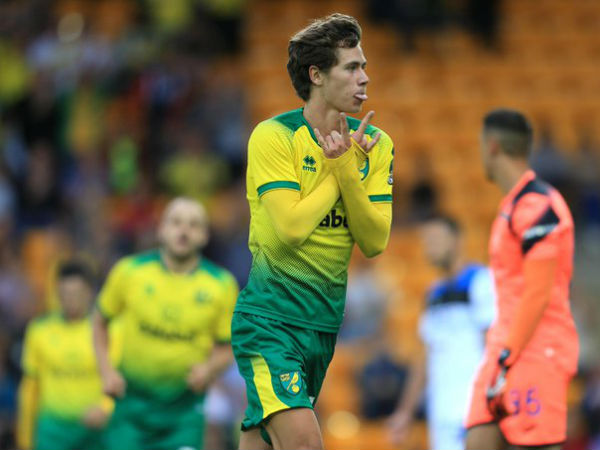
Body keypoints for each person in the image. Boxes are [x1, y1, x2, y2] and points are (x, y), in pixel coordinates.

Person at [231, 13, 395, 450]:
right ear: (317, 75)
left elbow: (374, 241)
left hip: (322, 326)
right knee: (305, 442)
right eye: (352, 67)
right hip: (270, 321)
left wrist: (348, 168)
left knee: (265, 442)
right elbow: (290, 228)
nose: (365, 78)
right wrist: (343, 167)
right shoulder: (274, 137)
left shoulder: (377, 144)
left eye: (364, 67)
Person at [464, 109, 579, 449]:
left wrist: (508, 356)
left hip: (537, 350)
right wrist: (501, 355)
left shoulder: (538, 207)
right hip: (504, 349)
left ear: (492, 146)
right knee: (477, 438)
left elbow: (538, 294)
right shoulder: (513, 206)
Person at [92, 197, 238, 450]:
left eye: (193, 225)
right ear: (161, 229)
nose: (184, 231)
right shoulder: (129, 272)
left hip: (184, 415)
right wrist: (106, 371)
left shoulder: (222, 285)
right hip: (131, 410)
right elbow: (99, 321)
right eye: (176, 222)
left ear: (204, 236)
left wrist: (209, 369)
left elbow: (228, 347)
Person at [387, 215, 495, 450]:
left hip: (474, 408)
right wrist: (405, 412)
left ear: (457, 240)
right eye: (426, 241)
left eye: (436, 239)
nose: (430, 247)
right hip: (442, 412)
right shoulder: (433, 294)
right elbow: (425, 355)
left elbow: (493, 345)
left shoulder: (481, 281)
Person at [17, 260, 113, 450]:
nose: (71, 300)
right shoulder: (39, 331)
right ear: (57, 294)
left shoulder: (107, 331)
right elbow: (30, 387)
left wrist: (106, 408)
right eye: (65, 294)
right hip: (52, 431)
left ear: (90, 293)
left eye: (77, 293)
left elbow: (118, 379)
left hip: (93, 431)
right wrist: (25, 437)